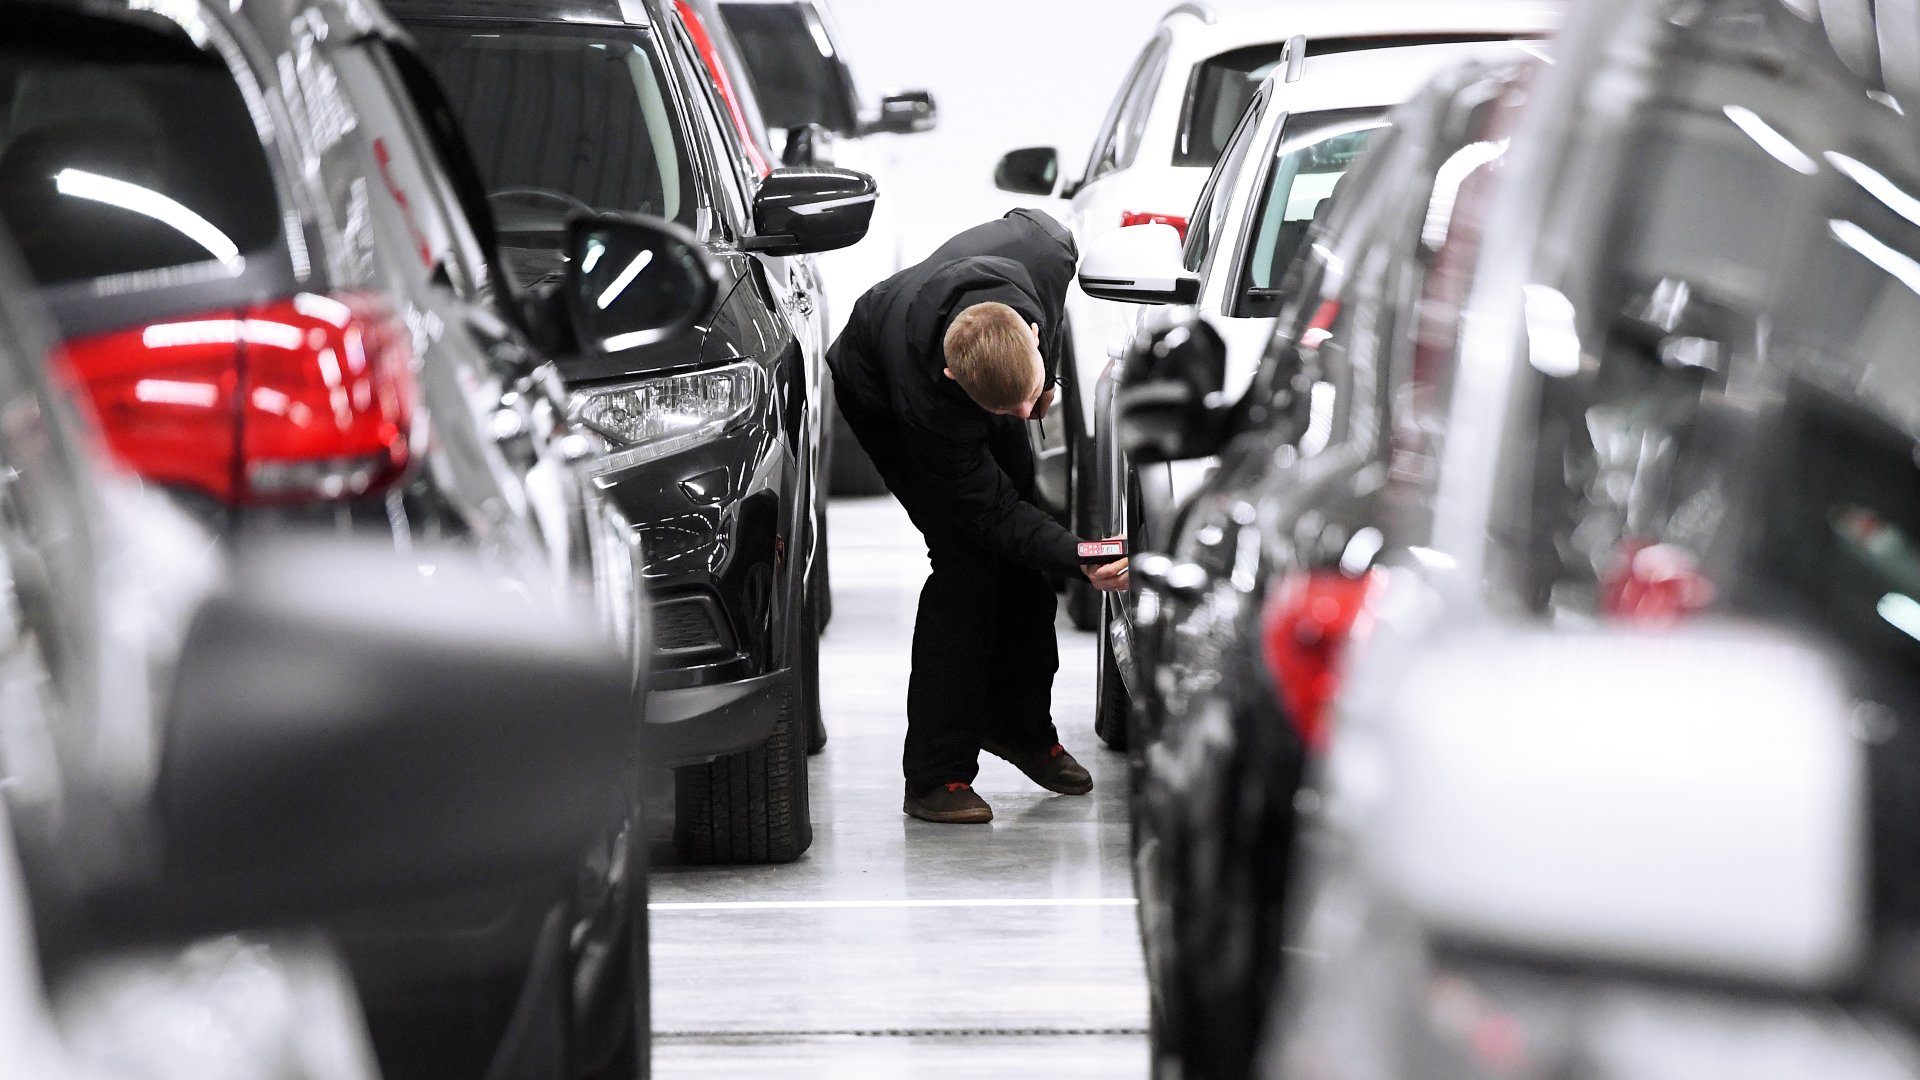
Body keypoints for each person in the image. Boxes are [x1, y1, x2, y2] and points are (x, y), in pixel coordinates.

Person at [827, 208, 1128, 825]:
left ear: (1035, 338)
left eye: (1030, 401)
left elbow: (1023, 412)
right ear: (954, 379)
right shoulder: (927, 400)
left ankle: (1020, 728)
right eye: (1008, 410)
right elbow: (990, 514)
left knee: (1025, 556)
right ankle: (936, 776)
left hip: (991, 362)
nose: (1026, 417)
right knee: (967, 563)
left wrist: (1045, 391)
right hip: (877, 383)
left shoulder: (1047, 251)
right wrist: (1077, 556)